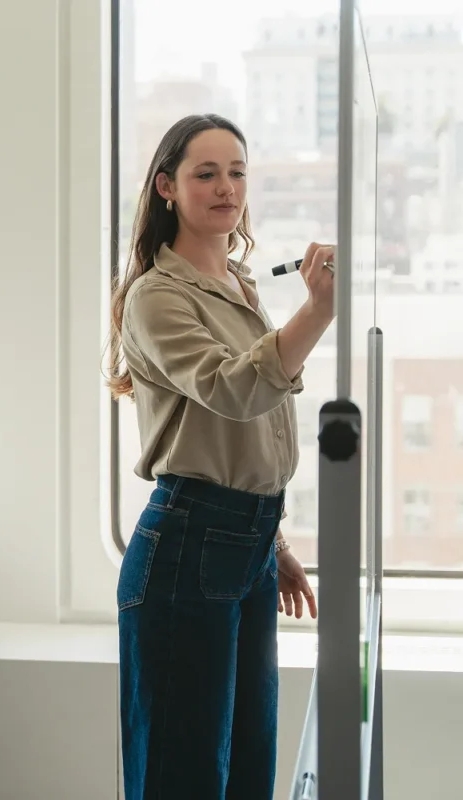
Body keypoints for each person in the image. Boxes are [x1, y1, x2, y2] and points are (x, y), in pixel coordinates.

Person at [108, 114, 328, 799]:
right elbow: (233, 392)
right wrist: (317, 312)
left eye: (237, 172)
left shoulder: (239, 284)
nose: (227, 187)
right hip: (189, 541)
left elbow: (246, 436)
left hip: (249, 538)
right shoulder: (156, 296)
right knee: (186, 774)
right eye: (206, 173)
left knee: (247, 766)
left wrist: (276, 539)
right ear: (167, 187)